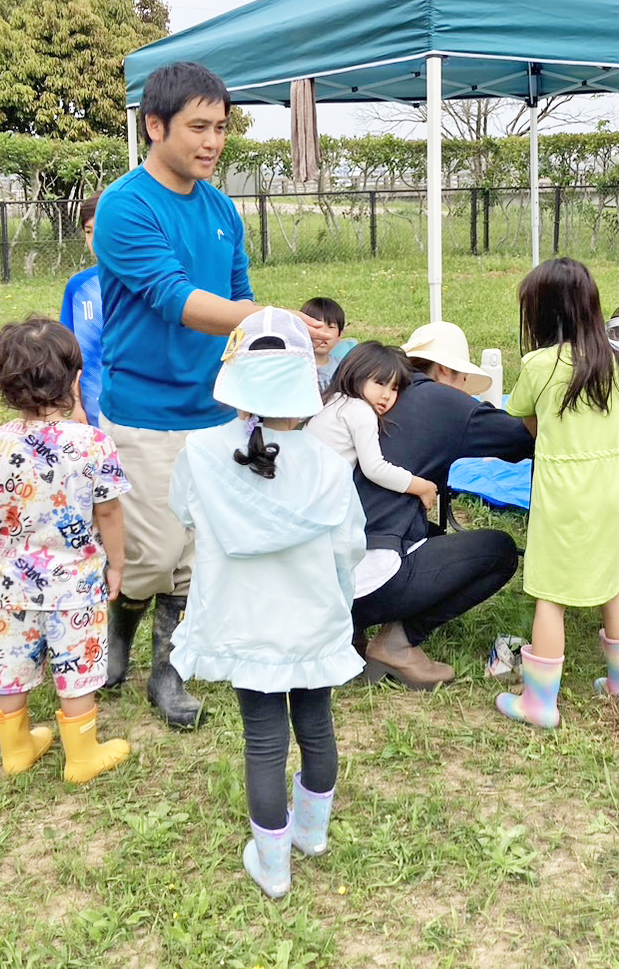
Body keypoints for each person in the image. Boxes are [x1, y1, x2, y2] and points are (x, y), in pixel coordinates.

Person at [94, 60, 326, 727]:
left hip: (217, 408)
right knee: (150, 557)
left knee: (199, 555)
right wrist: (268, 318)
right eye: (198, 127)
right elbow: (174, 299)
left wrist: (271, 342)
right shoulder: (124, 205)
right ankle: (120, 628)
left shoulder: (222, 207)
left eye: (221, 128)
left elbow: (236, 297)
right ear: (154, 125)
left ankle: (169, 673)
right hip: (144, 414)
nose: (212, 141)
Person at [169, 308, 367, 899]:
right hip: (312, 620)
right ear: (308, 385)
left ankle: (273, 865)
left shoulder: (201, 451)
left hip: (241, 620)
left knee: (263, 737)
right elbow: (350, 547)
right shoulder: (330, 465)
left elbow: (184, 515)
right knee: (316, 723)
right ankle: (313, 834)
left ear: (235, 383)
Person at [0, 316, 133, 784]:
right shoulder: (94, 444)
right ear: (77, 378)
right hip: (76, 586)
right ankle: (81, 756)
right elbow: (109, 514)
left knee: (9, 667)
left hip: (11, 584)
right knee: (75, 667)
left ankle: (17, 748)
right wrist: (116, 564)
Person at [495, 258, 619, 728]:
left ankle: (539, 703)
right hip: (607, 489)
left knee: (550, 594)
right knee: (612, 582)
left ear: (540, 313)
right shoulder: (615, 361)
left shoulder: (538, 364)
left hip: (561, 493)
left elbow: (526, 419)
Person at [351, 320, 535, 689]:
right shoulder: (442, 401)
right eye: (462, 379)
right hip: (372, 574)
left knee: (428, 531)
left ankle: (349, 633)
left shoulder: (371, 394)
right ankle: (397, 643)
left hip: (317, 577)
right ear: (446, 370)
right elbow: (522, 439)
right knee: (498, 551)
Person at [305, 341, 438, 509]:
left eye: (394, 388)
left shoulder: (332, 401)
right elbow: (374, 468)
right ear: (357, 374)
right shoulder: (360, 410)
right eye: (380, 383)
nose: (386, 395)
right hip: (323, 500)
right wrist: (421, 486)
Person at [59, 188, 105, 425]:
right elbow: (69, 354)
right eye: (89, 232)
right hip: (92, 415)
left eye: (103, 231)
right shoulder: (79, 287)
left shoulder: (151, 283)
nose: (95, 241)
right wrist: (76, 404)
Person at [300, 296, 358, 390]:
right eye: (317, 326)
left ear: (340, 334)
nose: (324, 333)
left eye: (331, 327)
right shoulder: (296, 366)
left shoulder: (343, 368)